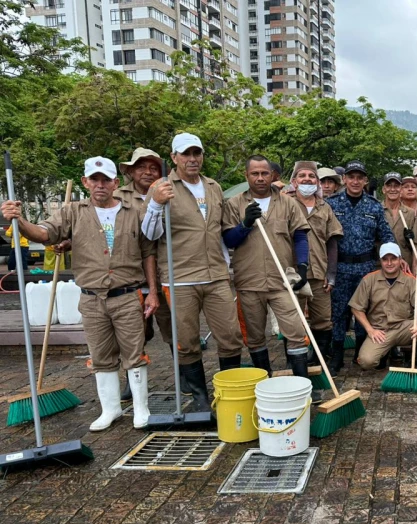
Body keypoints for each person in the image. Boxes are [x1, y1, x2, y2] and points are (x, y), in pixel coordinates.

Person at [2, 157, 157, 430]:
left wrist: (153, 292)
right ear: (85, 182)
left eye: (106, 179)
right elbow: (43, 234)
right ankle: (111, 410)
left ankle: (141, 409)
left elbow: (148, 254)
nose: (100, 185)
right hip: (91, 297)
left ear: (115, 183)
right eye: (94, 179)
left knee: (135, 353)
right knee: (100, 356)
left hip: (128, 296)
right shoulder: (72, 211)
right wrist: (20, 220)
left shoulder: (134, 212)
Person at [141, 133, 243, 411]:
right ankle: (200, 399)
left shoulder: (213, 186)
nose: (192, 159)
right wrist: (156, 204)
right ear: (174, 158)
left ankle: (230, 392)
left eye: (196, 153)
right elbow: (149, 234)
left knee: (231, 337)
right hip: (181, 278)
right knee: (186, 341)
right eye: (185, 154)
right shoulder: (161, 187)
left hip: (217, 275)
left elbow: (222, 230)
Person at [221, 156, 311, 378]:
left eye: (264, 173)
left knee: (296, 331)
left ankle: (301, 384)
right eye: (255, 174)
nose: (260, 178)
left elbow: (300, 236)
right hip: (249, 282)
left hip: (282, 281)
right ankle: (265, 381)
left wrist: (302, 265)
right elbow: (228, 240)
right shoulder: (234, 205)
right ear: (247, 175)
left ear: (273, 175)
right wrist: (245, 225)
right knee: (254, 336)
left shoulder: (288, 203)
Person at [117, 148, 182, 399]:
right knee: (134, 333)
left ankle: (184, 375)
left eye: (153, 168)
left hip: (166, 272)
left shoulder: (172, 193)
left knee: (174, 328)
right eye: (141, 167)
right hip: (132, 276)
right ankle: (131, 379)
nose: (147, 172)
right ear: (131, 171)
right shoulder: (118, 197)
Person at [326, 160, 396, 374]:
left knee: (366, 311)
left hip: (366, 268)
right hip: (340, 267)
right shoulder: (331, 204)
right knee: (339, 313)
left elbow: (385, 235)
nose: (355, 181)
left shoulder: (374, 206)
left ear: (365, 181)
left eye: (360, 177)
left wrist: (394, 253)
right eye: (351, 177)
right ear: (344, 179)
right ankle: (336, 356)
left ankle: (361, 352)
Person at [290, 161, 343, 367]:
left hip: (319, 273)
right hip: (293, 273)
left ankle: (318, 358)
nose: (307, 180)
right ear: (294, 181)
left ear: (317, 182)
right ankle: (295, 360)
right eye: (302, 176)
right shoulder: (286, 204)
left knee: (322, 319)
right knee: (293, 320)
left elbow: (332, 242)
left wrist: (331, 274)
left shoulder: (325, 207)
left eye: (311, 177)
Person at [349, 242, 417, 369]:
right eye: (385, 259)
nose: (389, 263)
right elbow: (356, 307)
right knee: (366, 361)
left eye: (393, 259)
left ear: (400, 260)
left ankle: (414, 361)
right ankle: (384, 353)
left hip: (403, 328)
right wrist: (370, 330)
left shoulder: (410, 281)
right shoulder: (369, 280)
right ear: (380, 261)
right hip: (380, 331)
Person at [382, 172, 416, 267]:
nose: (393, 189)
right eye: (389, 186)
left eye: (396, 186)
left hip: (405, 265)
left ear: (401, 189)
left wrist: (410, 239)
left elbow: (415, 246)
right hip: (382, 265)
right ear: (384, 189)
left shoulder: (410, 213)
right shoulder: (376, 210)